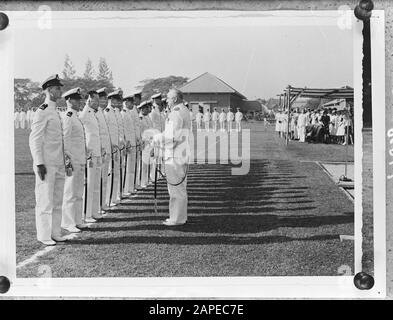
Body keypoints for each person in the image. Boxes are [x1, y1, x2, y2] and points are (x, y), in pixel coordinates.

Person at [29, 74, 68, 246]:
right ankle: (44, 235)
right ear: (49, 90)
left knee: (58, 200)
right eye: (58, 88)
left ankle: (55, 232)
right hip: (46, 164)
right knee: (45, 201)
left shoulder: (55, 111)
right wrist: (39, 162)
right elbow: (35, 139)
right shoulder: (43, 111)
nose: (60, 91)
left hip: (58, 162)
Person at [153, 89, 190, 226]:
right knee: (179, 187)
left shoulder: (176, 113)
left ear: (174, 99)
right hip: (180, 153)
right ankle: (180, 217)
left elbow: (170, 136)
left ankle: (177, 219)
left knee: (176, 188)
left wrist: (155, 138)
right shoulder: (183, 110)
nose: (166, 100)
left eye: (168, 98)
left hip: (175, 154)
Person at [61, 88, 88, 233]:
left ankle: (77, 220)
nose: (80, 102)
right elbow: (65, 140)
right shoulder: (68, 116)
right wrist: (67, 160)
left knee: (78, 192)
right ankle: (68, 222)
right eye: (77, 100)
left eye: (80, 100)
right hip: (72, 160)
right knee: (70, 192)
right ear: (69, 101)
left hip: (80, 158)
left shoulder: (75, 116)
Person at [79, 90, 103, 222]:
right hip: (91, 153)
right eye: (96, 100)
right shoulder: (85, 113)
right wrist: (86, 149)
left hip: (97, 152)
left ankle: (94, 211)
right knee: (89, 184)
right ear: (89, 100)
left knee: (95, 184)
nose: (98, 103)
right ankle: (87, 214)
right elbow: (80, 131)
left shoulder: (94, 113)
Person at [104, 90, 122, 206]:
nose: (116, 102)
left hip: (116, 146)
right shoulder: (107, 112)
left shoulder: (116, 112)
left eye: (117, 100)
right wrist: (111, 144)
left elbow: (118, 129)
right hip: (110, 147)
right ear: (110, 100)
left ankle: (114, 196)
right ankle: (108, 199)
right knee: (110, 173)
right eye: (114, 100)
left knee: (116, 172)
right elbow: (106, 132)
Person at [95, 87, 112, 213]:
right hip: (99, 151)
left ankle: (102, 203)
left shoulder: (102, 112)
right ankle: (97, 205)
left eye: (106, 99)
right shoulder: (95, 113)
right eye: (102, 99)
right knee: (98, 180)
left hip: (106, 150)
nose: (105, 101)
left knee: (104, 178)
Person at [122, 94, 137, 196]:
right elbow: (123, 130)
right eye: (131, 103)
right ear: (126, 103)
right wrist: (126, 141)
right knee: (127, 167)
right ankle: (126, 188)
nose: (133, 105)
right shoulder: (123, 113)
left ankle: (130, 187)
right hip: (128, 143)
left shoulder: (129, 113)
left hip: (132, 142)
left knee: (131, 167)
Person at [139, 100, 154, 188]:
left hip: (150, 143)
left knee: (149, 163)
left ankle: (147, 179)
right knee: (143, 165)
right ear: (142, 109)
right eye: (146, 109)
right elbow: (141, 132)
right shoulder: (140, 118)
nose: (148, 110)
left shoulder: (148, 118)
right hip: (144, 144)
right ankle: (143, 181)